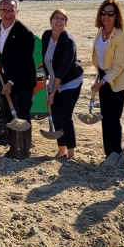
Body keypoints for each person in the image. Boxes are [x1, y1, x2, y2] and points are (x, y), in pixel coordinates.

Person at [0, 0, 38, 158]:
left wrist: (11, 82)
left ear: (17, 12)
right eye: (4, 10)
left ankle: (24, 149)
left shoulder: (25, 33)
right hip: (5, 78)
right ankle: (13, 147)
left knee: (22, 115)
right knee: (8, 115)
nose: (8, 14)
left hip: (23, 80)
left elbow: (24, 63)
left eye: (11, 10)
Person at [91, 0, 124, 158]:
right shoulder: (100, 31)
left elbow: (118, 66)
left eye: (110, 13)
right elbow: (101, 57)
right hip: (103, 76)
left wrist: (103, 81)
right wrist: (100, 77)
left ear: (117, 16)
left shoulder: (122, 35)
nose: (106, 16)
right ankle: (108, 152)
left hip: (118, 79)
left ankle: (115, 152)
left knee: (113, 117)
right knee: (105, 116)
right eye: (103, 13)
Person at [40, 9, 84, 160]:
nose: (59, 21)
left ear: (66, 23)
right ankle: (61, 151)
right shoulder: (46, 35)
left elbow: (62, 70)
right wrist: (45, 73)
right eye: (56, 18)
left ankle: (71, 153)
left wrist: (52, 93)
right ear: (50, 20)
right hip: (54, 79)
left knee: (65, 116)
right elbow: (47, 58)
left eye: (63, 19)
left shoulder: (68, 42)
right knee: (56, 116)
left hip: (70, 81)